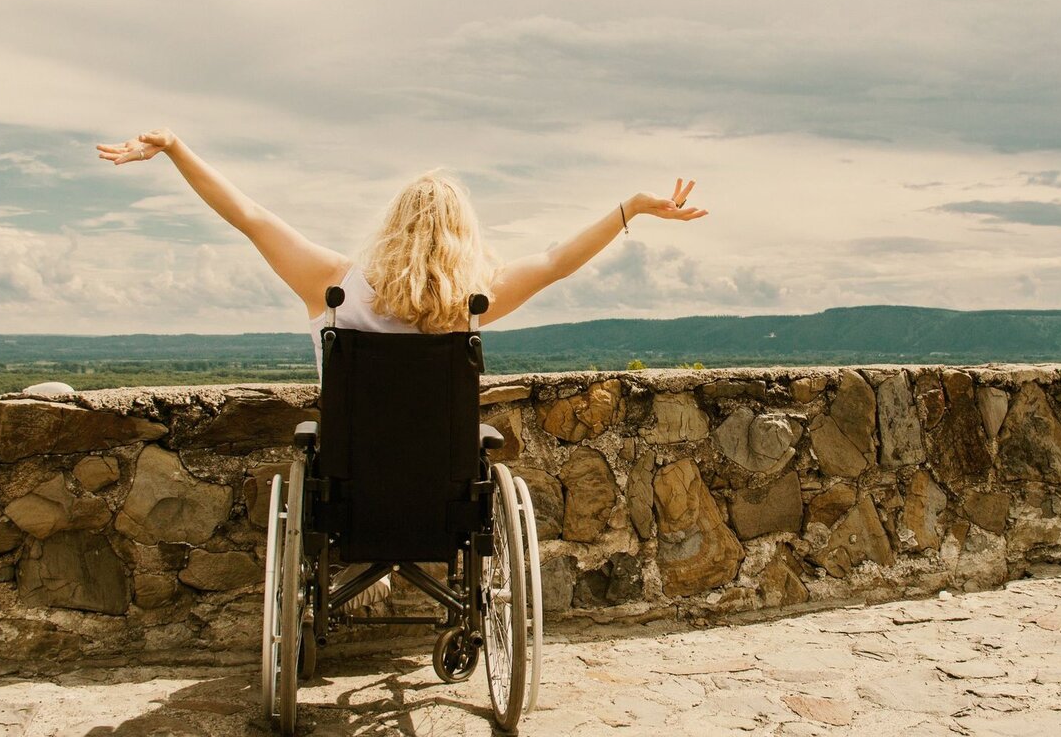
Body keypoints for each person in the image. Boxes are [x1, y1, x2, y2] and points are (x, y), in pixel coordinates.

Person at [96, 126, 709, 605]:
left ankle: (362, 568)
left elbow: (249, 217)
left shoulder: (332, 286)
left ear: (392, 225)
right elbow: (555, 262)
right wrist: (632, 207)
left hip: (352, 491)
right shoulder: (471, 303)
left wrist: (174, 147)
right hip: (441, 495)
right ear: (462, 234)